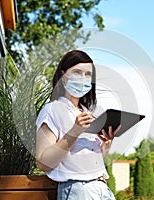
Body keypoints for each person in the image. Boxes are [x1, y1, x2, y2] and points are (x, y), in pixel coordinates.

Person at [36, 50, 121, 200]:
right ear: (63, 76)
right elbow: (43, 162)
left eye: (88, 75)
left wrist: (106, 144)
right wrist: (74, 131)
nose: (83, 79)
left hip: (102, 188)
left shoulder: (87, 113)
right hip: (78, 191)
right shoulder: (52, 110)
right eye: (77, 72)